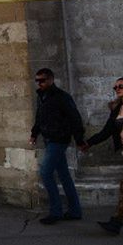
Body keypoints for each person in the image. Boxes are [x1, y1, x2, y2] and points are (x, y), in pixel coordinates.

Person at [29, 68, 86, 225]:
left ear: (51, 80)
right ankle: (75, 211)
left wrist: (79, 140)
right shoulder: (42, 97)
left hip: (59, 140)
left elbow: (75, 119)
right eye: (37, 80)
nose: (39, 83)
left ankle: (56, 212)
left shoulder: (62, 97)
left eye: (43, 80)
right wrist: (34, 133)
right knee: (64, 175)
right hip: (49, 139)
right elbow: (39, 117)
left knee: (46, 173)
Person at [84, 76, 123, 235]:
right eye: (115, 87)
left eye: (121, 86)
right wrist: (89, 143)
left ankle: (116, 222)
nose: (117, 89)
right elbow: (106, 131)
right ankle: (116, 223)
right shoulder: (117, 110)